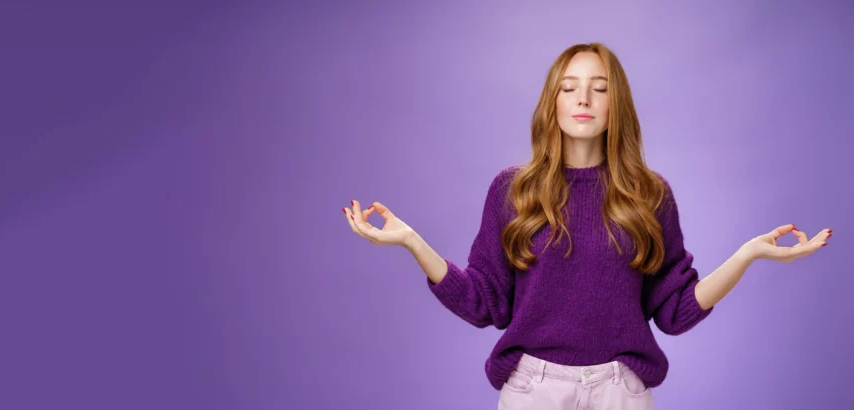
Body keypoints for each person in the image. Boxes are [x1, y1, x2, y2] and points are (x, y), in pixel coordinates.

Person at [341, 42, 832, 410]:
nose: (584, 98)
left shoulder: (650, 194)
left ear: (615, 103)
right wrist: (410, 241)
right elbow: (484, 300)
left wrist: (749, 253)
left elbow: (676, 312)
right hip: (533, 391)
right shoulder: (513, 191)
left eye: (599, 88)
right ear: (551, 102)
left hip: (622, 391)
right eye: (570, 87)